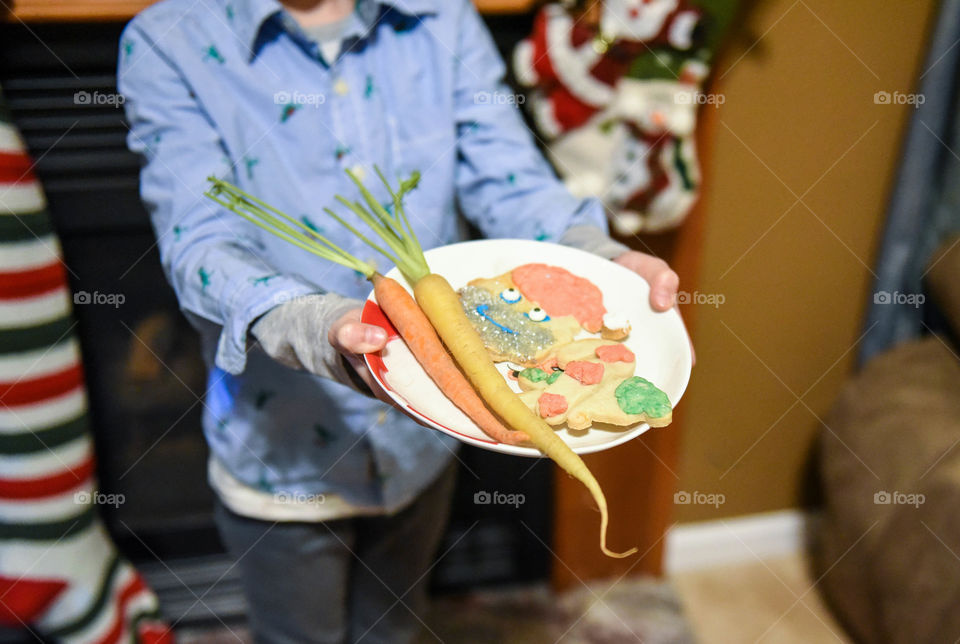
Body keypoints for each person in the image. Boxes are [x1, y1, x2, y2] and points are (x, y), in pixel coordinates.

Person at [118, 0, 681, 641]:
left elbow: (510, 180)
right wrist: (311, 323)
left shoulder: (442, 17)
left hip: (426, 431)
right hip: (284, 453)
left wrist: (598, 257)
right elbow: (198, 242)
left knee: (394, 627)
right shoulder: (170, 40)